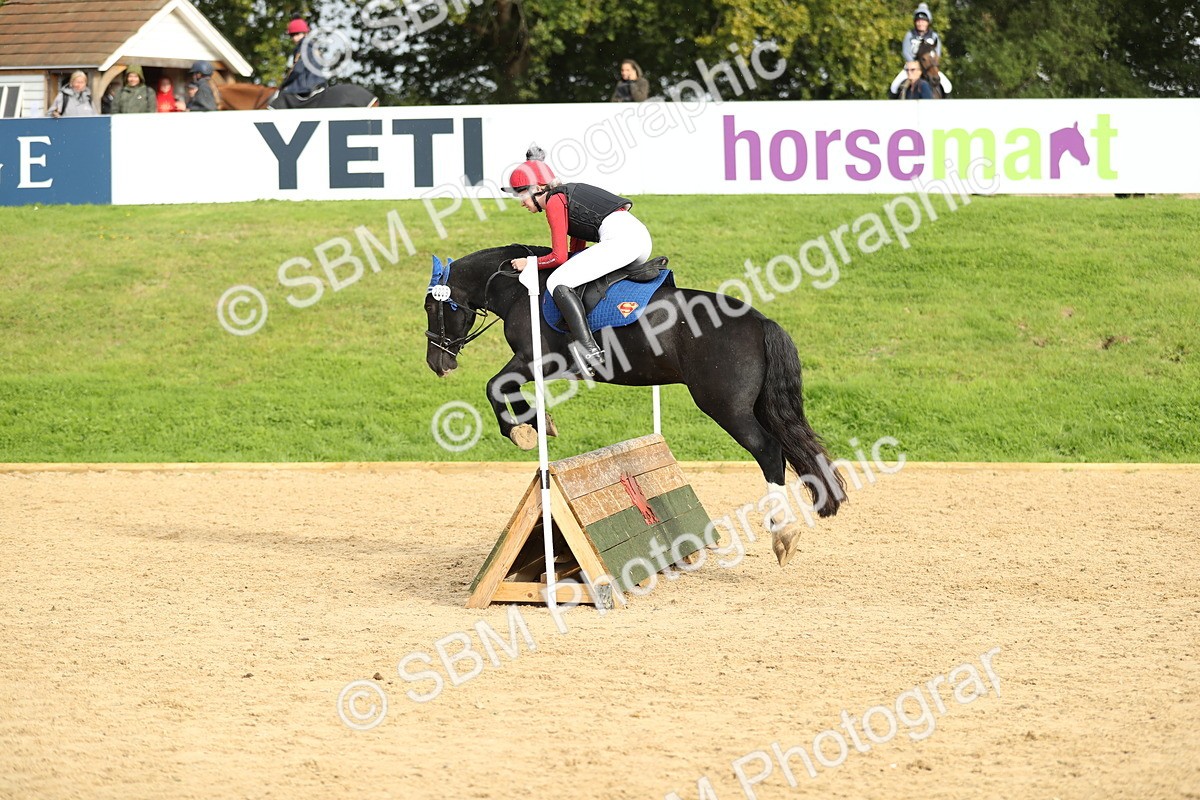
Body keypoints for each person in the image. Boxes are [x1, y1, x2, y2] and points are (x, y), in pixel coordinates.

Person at [502, 147, 652, 378]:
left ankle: (590, 351)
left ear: (539, 188)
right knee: (573, 273)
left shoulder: (554, 200)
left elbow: (558, 257)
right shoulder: (565, 194)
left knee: (557, 282)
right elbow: (577, 244)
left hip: (623, 241)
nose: (521, 201)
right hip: (637, 239)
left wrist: (529, 263)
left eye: (521, 193)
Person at [890, 4, 951, 98]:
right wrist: (915, 65)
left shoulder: (934, 36)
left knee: (947, 86)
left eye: (923, 21)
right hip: (911, 67)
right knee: (894, 86)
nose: (920, 23)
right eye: (918, 21)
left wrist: (931, 64)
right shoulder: (909, 35)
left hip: (929, 67)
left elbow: (937, 53)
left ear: (928, 22)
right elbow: (906, 52)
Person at [279, 18, 326, 97]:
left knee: (280, 99)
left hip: (305, 87)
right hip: (319, 83)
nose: (294, 38)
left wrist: (284, 84)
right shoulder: (313, 47)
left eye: (297, 34)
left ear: (305, 33)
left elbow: (297, 70)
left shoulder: (303, 48)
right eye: (292, 35)